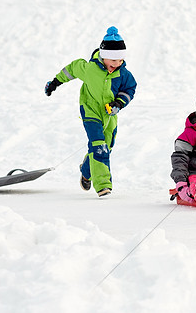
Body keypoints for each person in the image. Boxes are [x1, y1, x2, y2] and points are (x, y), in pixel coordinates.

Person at [44, 26, 137, 197]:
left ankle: (86, 170)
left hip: (109, 115)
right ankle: (103, 185)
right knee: (98, 146)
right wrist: (54, 83)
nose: (116, 65)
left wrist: (119, 103)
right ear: (103, 56)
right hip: (90, 111)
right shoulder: (89, 68)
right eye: (113, 61)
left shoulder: (123, 73)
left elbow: (130, 88)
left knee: (107, 146)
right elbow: (70, 70)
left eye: (120, 61)